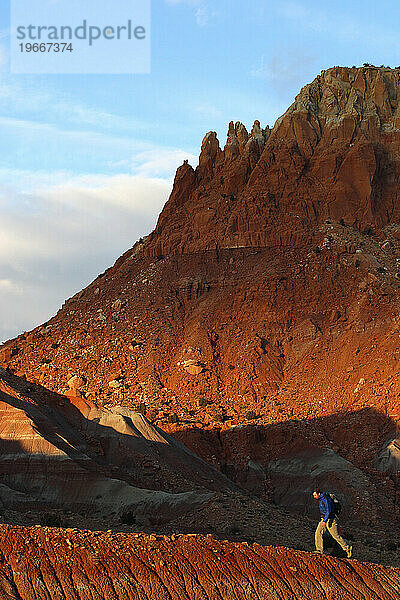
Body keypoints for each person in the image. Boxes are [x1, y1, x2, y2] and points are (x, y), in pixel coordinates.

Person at [312, 488, 353, 558]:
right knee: (318, 532)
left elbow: (328, 510)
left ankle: (347, 547)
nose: (314, 497)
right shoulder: (321, 499)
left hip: (330, 519)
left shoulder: (325, 499)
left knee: (335, 536)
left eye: (315, 495)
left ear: (319, 494)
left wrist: (325, 521)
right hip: (324, 518)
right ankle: (319, 550)